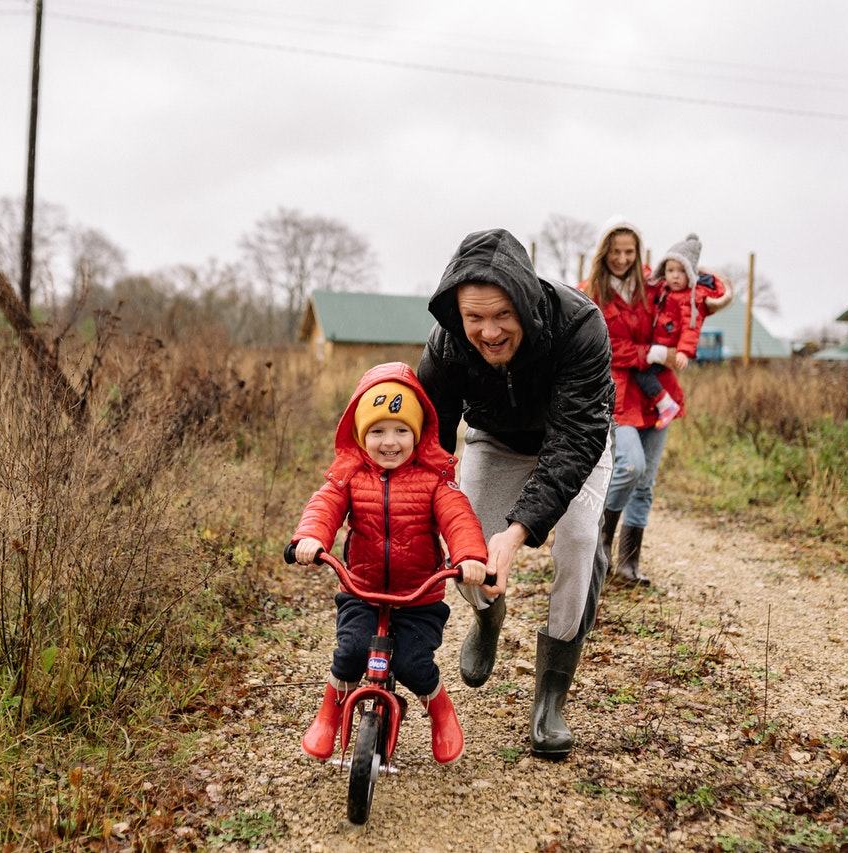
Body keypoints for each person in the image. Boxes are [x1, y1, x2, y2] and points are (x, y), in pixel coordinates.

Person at [418, 227, 613, 760]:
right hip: (495, 440)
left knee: (576, 543)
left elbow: (576, 440)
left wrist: (520, 529)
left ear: (525, 302)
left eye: (502, 315)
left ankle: (551, 697)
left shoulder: (579, 326)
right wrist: (423, 512)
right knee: (468, 544)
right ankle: (486, 618)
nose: (489, 331)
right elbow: (430, 440)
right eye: (474, 317)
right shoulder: (447, 343)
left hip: (574, 442)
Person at [290, 361, 489, 766]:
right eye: (377, 431)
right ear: (361, 436)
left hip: (419, 596)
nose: (390, 442)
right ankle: (329, 713)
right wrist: (310, 538)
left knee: (414, 664)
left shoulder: (434, 480)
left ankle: (440, 710)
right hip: (361, 590)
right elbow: (324, 506)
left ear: (418, 434)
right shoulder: (349, 477)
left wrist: (469, 557)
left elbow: (458, 517)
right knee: (349, 652)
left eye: (401, 430)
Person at [585, 225, 730, 585]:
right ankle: (599, 541)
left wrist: (711, 284)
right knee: (629, 467)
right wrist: (651, 352)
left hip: (658, 392)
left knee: (646, 481)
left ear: (639, 254)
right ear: (605, 252)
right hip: (619, 393)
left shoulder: (652, 284)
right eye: (615, 252)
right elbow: (604, 346)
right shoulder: (592, 294)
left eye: (629, 252)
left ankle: (629, 562)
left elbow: (698, 294)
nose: (622, 259)